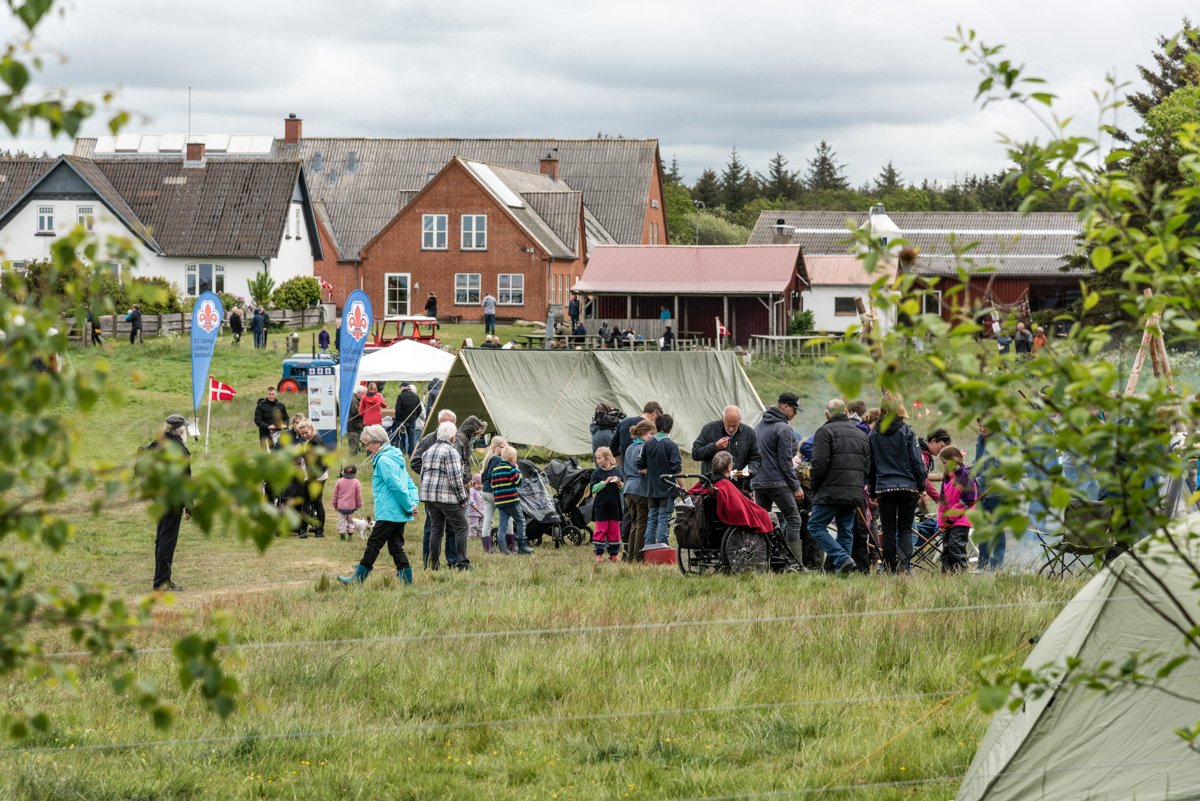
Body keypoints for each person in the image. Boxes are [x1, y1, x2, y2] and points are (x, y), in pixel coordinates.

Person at [338, 425, 419, 585]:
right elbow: (410, 484)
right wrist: (413, 502)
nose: (367, 448)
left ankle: (358, 578)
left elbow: (397, 486)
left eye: (368, 444)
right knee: (396, 546)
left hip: (389, 511)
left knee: (373, 544)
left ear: (378, 442)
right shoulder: (396, 456)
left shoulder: (383, 461)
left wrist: (410, 506)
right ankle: (406, 580)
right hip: (398, 512)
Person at [807, 398, 872, 574]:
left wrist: (815, 487)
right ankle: (842, 573)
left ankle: (841, 558)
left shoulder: (824, 431)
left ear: (827, 414)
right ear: (845, 412)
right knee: (846, 530)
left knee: (814, 526)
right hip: (854, 491)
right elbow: (868, 465)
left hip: (830, 490)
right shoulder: (861, 434)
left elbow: (819, 464)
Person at [868, 395, 927, 574]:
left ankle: (888, 567)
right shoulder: (907, 432)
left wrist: (872, 491)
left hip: (884, 487)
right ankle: (904, 566)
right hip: (907, 486)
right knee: (905, 529)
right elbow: (917, 462)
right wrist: (921, 485)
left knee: (887, 530)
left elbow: (871, 465)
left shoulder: (873, 434)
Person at [752, 393, 806, 564]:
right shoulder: (784, 428)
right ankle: (794, 563)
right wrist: (796, 486)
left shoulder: (758, 427)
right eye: (794, 409)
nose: (795, 414)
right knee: (794, 519)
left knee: (763, 521)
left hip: (759, 482)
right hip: (777, 482)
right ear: (784, 407)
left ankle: (764, 559)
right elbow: (785, 462)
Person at [147, 414, 191, 591]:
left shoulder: (157, 443)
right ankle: (161, 582)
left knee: (161, 539)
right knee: (167, 540)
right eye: (184, 427)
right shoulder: (180, 450)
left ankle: (162, 578)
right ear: (180, 430)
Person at [420, 421, 471, 570]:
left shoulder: (428, 451)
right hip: (445, 496)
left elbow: (423, 474)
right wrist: (463, 498)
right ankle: (462, 564)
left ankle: (433, 564)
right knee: (461, 527)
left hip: (429, 496)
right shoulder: (451, 451)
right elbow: (455, 478)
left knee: (436, 530)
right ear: (452, 436)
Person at [637, 413, 682, 547]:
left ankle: (649, 546)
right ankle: (662, 547)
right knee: (663, 518)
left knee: (652, 518)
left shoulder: (647, 444)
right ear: (670, 427)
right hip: (667, 489)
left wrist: (653, 471)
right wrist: (683, 488)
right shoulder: (671, 445)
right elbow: (676, 470)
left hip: (651, 488)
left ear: (656, 426)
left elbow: (640, 466)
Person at [692, 405, 762, 491]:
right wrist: (715, 446)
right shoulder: (709, 429)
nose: (731, 429)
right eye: (728, 425)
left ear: (740, 420)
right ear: (723, 419)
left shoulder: (749, 433)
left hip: (738, 487)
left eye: (735, 426)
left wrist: (750, 471)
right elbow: (695, 453)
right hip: (712, 486)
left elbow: (756, 458)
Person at [938, 446, 976, 572]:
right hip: (949, 519)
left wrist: (951, 516)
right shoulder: (947, 476)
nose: (943, 466)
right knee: (947, 547)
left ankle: (961, 572)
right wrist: (942, 520)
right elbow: (943, 500)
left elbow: (967, 500)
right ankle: (947, 574)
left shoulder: (966, 476)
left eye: (945, 462)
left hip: (961, 518)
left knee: (956, 545)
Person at [621, 419, 655, 561]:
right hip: (640, 488)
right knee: (642, 524)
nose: (652, 437)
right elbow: (642, 469)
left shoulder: (629, 448)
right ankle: (639, 556)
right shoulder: (643, 448)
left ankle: (630, 557)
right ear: (642, 434)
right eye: (650, 434)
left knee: (634, 524)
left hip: (628, 488)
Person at [491, 445, 534, 554]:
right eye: (516, 457)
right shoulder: (511, 469)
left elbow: (493, 485)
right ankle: (522, 546)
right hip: (511, 501)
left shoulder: (495, 470)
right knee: (521, 521)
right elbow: (519, 482)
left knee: (502, 525)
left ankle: (503, 548)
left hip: (500, 502)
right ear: (512, 459)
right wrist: (518, 471)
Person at [974, 420, 1004, 570]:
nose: (981, 428)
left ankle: (997, 565)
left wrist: (977, 480)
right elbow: (977, 462)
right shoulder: (980, 440)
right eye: (979, 425)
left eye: (985, 425)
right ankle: (982, 563)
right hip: (981, 491)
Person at [296, 420, 331, 537]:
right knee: (317, 503)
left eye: (306, 432)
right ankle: (319, 532)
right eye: (302, 434)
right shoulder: (313, 439)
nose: (305, 435)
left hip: (315, 476)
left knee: (307, 503)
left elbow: (313, 460)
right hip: (317, 475)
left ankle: (303, 531)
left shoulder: (315, 441)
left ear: (311, 428)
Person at [479, 436, 512, 554]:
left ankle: (487, 547)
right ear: (496, 447)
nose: (505, 450)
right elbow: (494, 476)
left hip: (485, 492)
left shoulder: (488, 459)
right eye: (503, 447)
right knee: (508, 518)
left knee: (487, 519)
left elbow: (483, 477)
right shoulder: (498, 459)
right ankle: (510, 545)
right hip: (495, 493)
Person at [591, 446, 623, 562]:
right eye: (596, 458)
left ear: (608, 458)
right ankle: (598, 554)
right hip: (601, 507)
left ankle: (613, 554)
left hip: (614, 507)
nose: (597, 461)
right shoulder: (596, 473)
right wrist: (604, 483)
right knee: (601, 530)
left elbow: (623, 490)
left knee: (614, 530)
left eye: (599, 458)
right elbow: (593, 489)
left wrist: (619, 484)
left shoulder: (617, 471)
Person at [333, 465, 363, 542]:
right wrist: (358, 505)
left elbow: (335, 494)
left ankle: (342, 538)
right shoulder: (356, 482)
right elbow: (358, 495)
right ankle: (350, 538)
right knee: (351, 522)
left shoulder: (339, 481)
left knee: (341, 522)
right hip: (351, 507)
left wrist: (335, 504)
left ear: (344, 472)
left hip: (341, 506)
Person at [393, 382, 424, 454]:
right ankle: (411, 455)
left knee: (400, 439)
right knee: (411, 440)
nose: (400, 389)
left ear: (404, 387)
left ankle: (399, 454)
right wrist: (414, 418)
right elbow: (419, 410)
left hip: (401, 422)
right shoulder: (416, 397)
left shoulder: (401, 396)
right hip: (412, 421)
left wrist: (398, 421)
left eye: (400, 387)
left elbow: (398, 410)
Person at [468, 474, 489, 552]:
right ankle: (472, 536)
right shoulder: (472, 490)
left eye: (481, 484)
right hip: (474, 512)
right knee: (474, 525)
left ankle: (479, 535)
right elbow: (470, 498)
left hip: (482, 512)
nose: (480, 486)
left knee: (481, 525)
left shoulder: (482, 491)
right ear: (473, 484)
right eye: (478, 484)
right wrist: (473, 503)